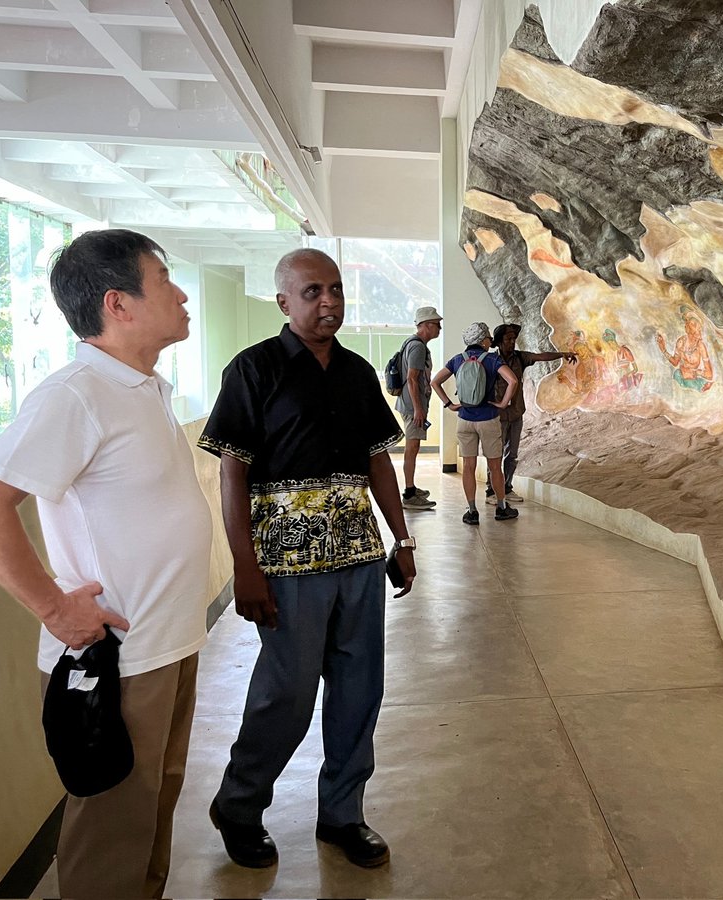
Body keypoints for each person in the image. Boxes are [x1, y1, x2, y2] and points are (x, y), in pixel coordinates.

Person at [0, 229, 210, 898]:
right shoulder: (76, 393)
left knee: (153, 806)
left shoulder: (140, 388)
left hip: (168, 643)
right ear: (119, 303)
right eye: (165, 280)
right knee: (110, 831)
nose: (183, 294)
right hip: (117, 659)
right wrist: (54, 607)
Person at [198, 248, 417, 871]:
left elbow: (378, 460)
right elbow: (232, 473)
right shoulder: (253, 369)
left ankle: (342, 814)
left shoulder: (356, 372)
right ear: (284, 301)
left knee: (358, 690)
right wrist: (245, 565)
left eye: (338, 290)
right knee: (285, 694)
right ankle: (239, 805)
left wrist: (400, 540)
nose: (330, 302)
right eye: (314, 291)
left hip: (357, 555)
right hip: (286, 564)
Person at [431, 323, 518, 524]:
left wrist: (449, 404)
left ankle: (471, 511)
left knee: (468, 466)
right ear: (481, 340)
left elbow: (435, 382)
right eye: (487, 338)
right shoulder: (493, 359)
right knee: (495, 467)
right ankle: (502, 508)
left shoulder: (457, 360)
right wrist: (503, 403)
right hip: (488, 418)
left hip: (465, 420)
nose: (490, 341)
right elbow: (512, 381)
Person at [484, 322, 576, 504]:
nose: (512, 342)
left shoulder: (520, 358)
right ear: (500, 341)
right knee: (496, 453)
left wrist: (562, 355)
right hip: (498, 416)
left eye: (514, 339)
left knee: (512, 454)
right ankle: (492, 490)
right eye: (508, 339)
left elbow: (540, 356)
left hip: (516, 413)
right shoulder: (491, 360)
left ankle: (507, 487)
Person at [395, 306, 442, 511]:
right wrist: (418, 409)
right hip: (412, 405)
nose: (439, 328)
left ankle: (411, 488)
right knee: (412, 448)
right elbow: (412, 379)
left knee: (413, 448)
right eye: (437, 324)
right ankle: (409, 494)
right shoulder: (418, 347)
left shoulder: (413, 344)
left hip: (410, 403)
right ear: (426, 325)